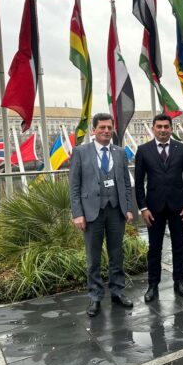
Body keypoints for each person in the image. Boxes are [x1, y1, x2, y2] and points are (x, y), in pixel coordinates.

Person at [69, 113, 134, 317]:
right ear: (94, 130)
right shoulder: (80, 152)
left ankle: (117, 292)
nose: (106, 131)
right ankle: (95, 297)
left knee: (117, 254)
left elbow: (125, 183)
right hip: (91, 212)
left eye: (109, 128)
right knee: (93, 257)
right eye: (102, 127)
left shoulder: (120, 152)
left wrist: (128, 208)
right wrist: (77, 213)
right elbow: (74, 186)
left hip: (116, 211)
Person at [135, 114, 183, 302]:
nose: (162, 130)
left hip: (179, 207)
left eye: (166, 126)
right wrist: (143, 208)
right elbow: (138, 183)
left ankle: (179, 282)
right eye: (159, 126)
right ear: (153, 128)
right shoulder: (143, 150)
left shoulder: (181, 148)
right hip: (154, 208)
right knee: (154, 248)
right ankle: (153, 285)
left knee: (179, 246)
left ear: (171, 128)